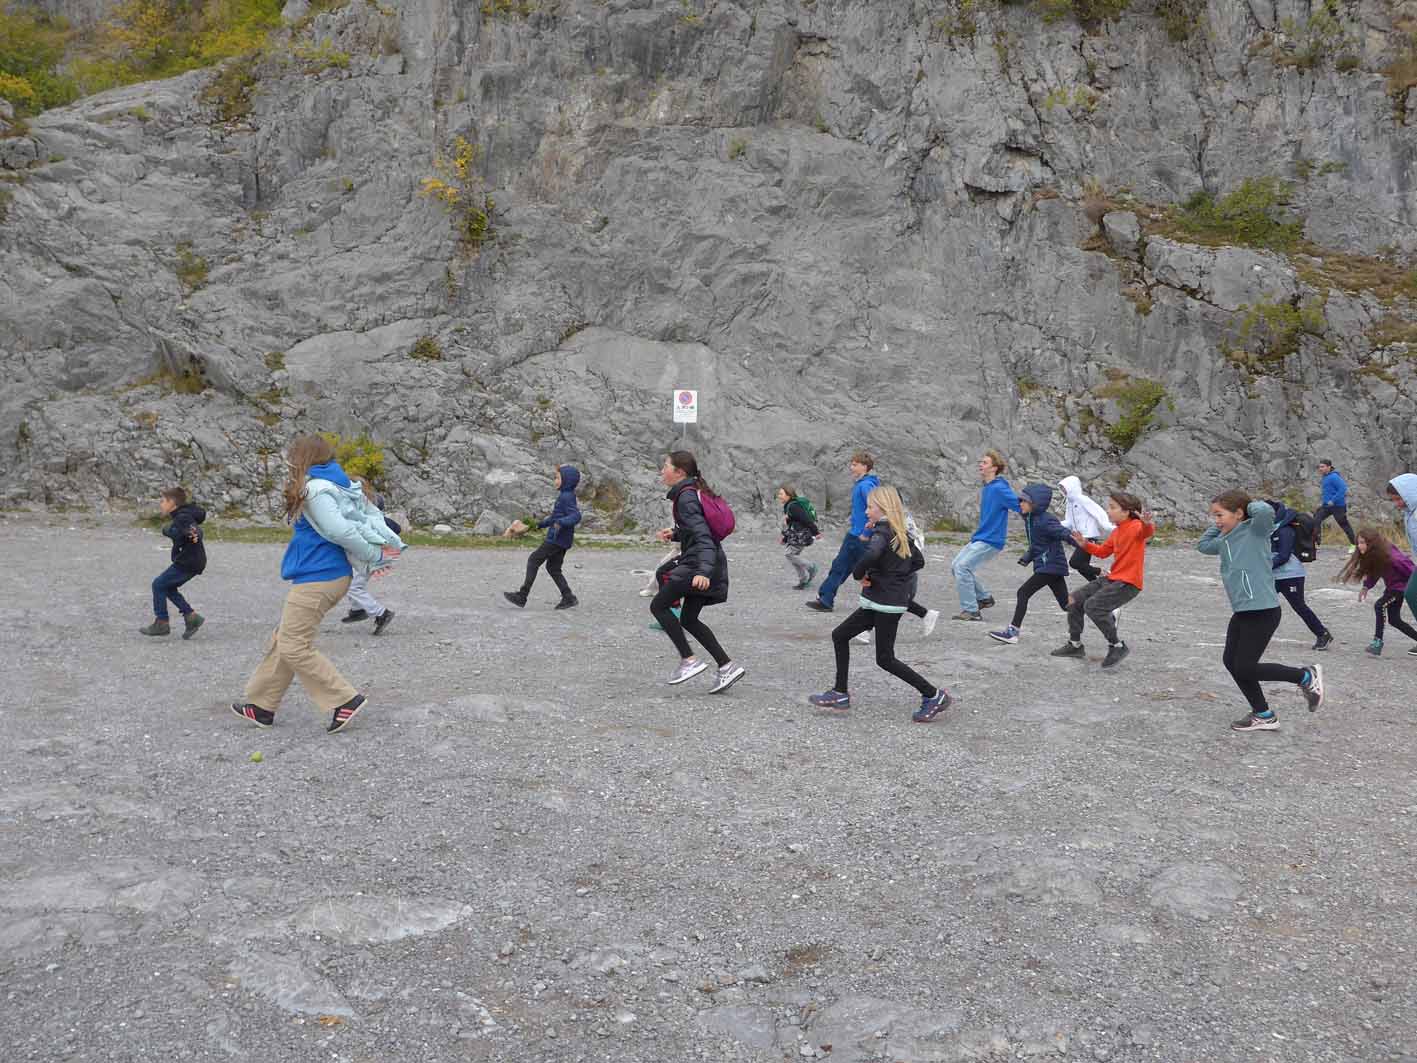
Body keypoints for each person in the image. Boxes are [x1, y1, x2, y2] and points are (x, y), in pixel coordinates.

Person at [231, 435, 404, 734]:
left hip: (319, 577)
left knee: (294, 645)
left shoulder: (316, 489)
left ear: (302, 459)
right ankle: (262, 706)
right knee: (285, 638)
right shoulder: (336, 483)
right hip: (324, 575)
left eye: (292, 458)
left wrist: (373, 556)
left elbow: (341, 531)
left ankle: (344, 699)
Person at [807, 485, 952, 723]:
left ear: (883, 508)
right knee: (840, 635)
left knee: (885, 659)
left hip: (886, 604)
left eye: (870, 507)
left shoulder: (883, 532)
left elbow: (872, 555)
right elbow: (918, 561)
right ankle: (840, 693)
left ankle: (934, 695)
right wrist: (892, 577)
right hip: (881, 601)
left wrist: (859, 575)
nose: (866, 511)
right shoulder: (899, 530)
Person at [1197, 492, 1325, 732]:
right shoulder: (1225, 540)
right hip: (1243, 611)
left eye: (1219, 515)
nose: (1216, 520)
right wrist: (1222, 526)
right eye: (1214, 516)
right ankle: (1264, 714)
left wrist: (1246, 506)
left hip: (1263, 610)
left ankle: (1305, 677)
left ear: (1238, 513)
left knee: (1245, 667)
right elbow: (1203, 545)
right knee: (1231, 662)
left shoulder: (1256, 531)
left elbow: (1265, 511)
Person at [650, 451, 745, 693]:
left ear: (679, 472)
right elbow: (698, 530)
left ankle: (689, 660)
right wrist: (676, 533)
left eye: (665, 466)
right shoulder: (690, 493)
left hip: (699, 565)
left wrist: (703, 571)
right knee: (689, 619)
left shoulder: (686, 497)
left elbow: (704, 537)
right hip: (706, 561)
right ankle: (727, 667)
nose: (662, 471)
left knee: (658, 606)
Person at [1051, 491, 1153, 668]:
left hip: (1128, 583)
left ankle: (1117, 646)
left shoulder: (1136, 526)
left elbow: (1146, 532)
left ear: (1126, 511)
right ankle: (1075, 645)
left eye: (1112, 507)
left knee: (1093, 606)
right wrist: (1085, 544)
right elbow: (1103, 552)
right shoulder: (1117, 531)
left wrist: (1147, 523)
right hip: (1113, 579)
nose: (1108, 511)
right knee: (1073, 600)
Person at [989, 483, 1070, 645]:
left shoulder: (1046, 520)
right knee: (1066, 605)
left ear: (1035, 503)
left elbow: (1066, 534)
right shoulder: (1031, 519)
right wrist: (1027, 557)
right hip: (1050, 566)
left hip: (1049, 566)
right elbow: (1037, 543)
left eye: (1024, 501)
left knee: (1023, 593)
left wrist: (1087, 546)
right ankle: (1104, 611)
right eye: (1020, 500)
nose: (1020, 504)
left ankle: (1013, 632)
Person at [951, 450, 1020, 620]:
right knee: (956, 566)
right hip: (981, 537)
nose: (980, 465)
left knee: (962, 567)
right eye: (981, 462)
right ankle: (984, 598)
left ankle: (972, 611)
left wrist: (1037, 515)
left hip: (992, 539)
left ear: (994, 468)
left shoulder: (999, 488)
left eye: (985, 463)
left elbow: (1020, 506)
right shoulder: (988, 487)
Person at [806, 452, 880, 612]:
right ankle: (825, 599)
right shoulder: (864, 484)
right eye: (851, 464)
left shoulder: (866, 486)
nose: (851, 467)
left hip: (861, 537)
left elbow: (876, 508)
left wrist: (867, 532)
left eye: (855, 464)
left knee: (866, 571)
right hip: (856, 535)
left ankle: (885, 602)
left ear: (864, 467)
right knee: (841, 566)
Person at [504, 464, 582, 610]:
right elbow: (554, 518)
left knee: (533, 560)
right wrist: (537, 525)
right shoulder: (566, 495)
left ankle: (522, 596)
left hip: (556, 539)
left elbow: (576, 516)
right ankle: (568, 597)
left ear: (567, 480)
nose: (555, 481)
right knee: (553, 568)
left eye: (557, 478)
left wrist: (561, 522)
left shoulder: (566, 497)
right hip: (562, 540)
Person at [1337, 527, 1417, 656]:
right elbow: (1374, 572)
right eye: (1358, 543)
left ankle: (1377, 642)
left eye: (1362, 542)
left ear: (1372, 543)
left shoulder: (1393, 557)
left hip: (1401, 589)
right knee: (1394, 620)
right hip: (1392, 588)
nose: (1359, 546)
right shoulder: (1376, 555)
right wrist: (1366, 587)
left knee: (1380, 605)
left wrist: (1412, 588)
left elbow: (1412, 571)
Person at [140, 487, 206, 639]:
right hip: (192, 560)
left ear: (172, 503)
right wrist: (168, 530)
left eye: (163, 501)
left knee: (158, 584)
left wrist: (194, 534)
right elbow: (183, 530)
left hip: (188, 561)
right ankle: (191, 617)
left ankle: (162, 623)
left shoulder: (182, 517)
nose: (161, 504)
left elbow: (193, 530)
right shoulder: (182, 515)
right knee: (167, 587)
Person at [1266, 499, 1332, 651]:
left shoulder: (1285, 530)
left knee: (1299, 606)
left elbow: (1283, 556)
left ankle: (1322, 634)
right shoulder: (1270, 528)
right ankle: (1255, 633)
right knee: (1262, 602)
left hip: (1291, 576)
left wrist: (1264, 567)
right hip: (1275, 575)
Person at [341, 490, 402, 634]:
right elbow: (397, 528)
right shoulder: (376, 521)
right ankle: (357, 610)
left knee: (353, 587)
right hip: (367, 558)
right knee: (351, 582)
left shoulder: (371, 522)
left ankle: (382, 614)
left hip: (370, 559)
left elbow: (395, 529)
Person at [1057, 474, 1114, 582]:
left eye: (1064, 488)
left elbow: (1098, 511)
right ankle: (1095, 584)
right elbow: (1069, 521)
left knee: (1075, 563)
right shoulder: (1069, 502)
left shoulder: (1082, 499)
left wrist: (1107, 526)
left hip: (1089, 536)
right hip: (1079, 537)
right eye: (1062, 488)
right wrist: (1054, 524)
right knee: (1082, 566)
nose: (1063, 490)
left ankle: (1102, 572)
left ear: (1071, 487)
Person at [1386, 474, 1417, 632]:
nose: (1397, 504)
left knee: (1412, 593)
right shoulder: (1409, 513)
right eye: (1394, 500)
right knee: (1411, 593)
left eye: (1399, 499)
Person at [778, 485, 821, 589]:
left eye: (781, 494)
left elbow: (806, 519)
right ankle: (803, 581)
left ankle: (811, 567)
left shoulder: (793, 506)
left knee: (789, 554)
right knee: (794, 557)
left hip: (801, 536)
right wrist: (785, 538)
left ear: (788, 495)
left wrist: (816, 532)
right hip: (796, 535)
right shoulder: (789, 506)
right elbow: (791, 524)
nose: (779, 496)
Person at [1313, 459, 1356, 548]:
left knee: (1344, 525)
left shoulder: (1334, 477)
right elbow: (1329, 491)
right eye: (1319, 467)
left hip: (1338, 506)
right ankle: (1317, 542)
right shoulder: (1325, 477)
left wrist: (1333, 500)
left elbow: (1343, 489)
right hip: (1327, 506)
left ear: (1329, 467)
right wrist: (1325, 502)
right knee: (1316, 518)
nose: (1320, 469)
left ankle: (1354, 545)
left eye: (1322, 467)